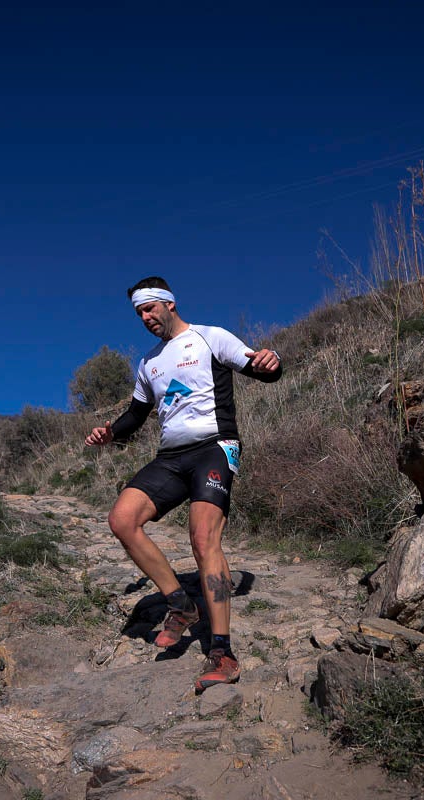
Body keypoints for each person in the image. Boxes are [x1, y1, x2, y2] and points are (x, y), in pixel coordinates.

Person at [85, 276, 282, 692]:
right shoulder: (149, 363)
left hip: (215, 447)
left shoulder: (210, 338)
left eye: (150, 308)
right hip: (171, 457)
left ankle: (222, 652)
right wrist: (110, 433)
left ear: (169, 303)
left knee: (202, 539)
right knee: (122, 519)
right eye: (139, 312)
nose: (145, 317)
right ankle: (179, 602)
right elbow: (136, 416)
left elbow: (261, 369)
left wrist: (271, 362)